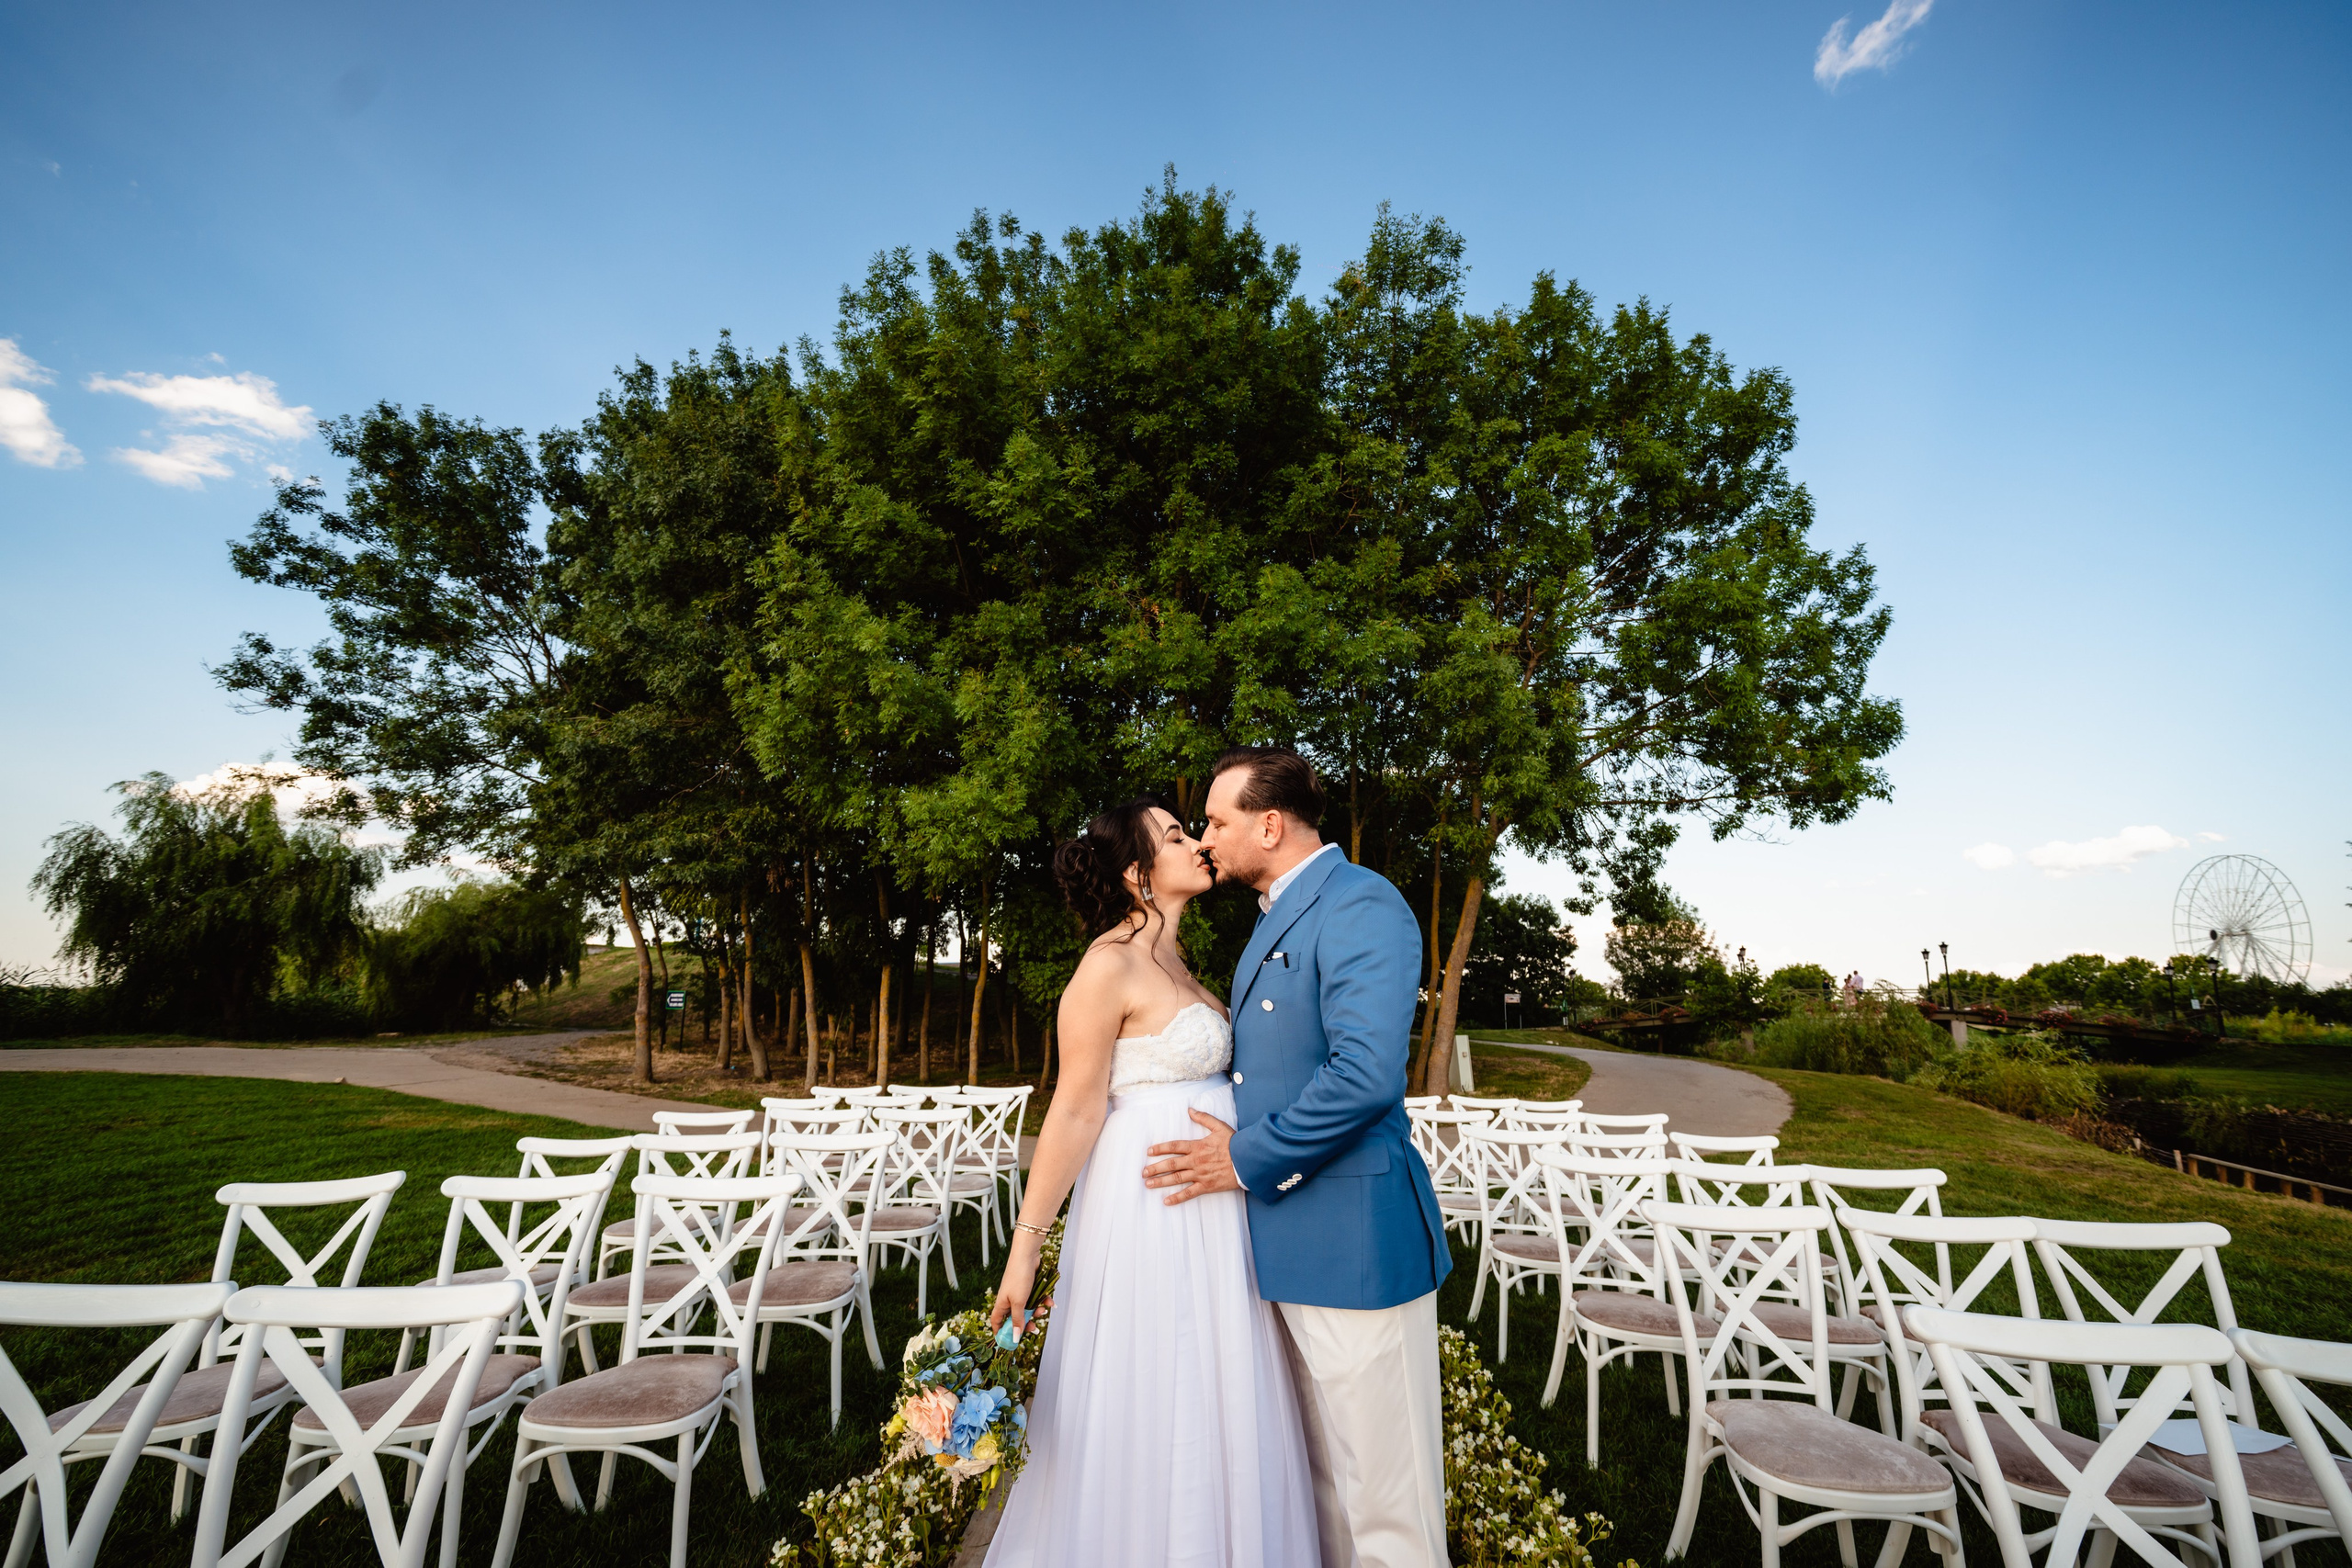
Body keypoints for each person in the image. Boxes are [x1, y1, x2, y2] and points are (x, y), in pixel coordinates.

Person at [983, 797, 1318, 1568]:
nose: (1198, 843)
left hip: (1214, 1207)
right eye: (1176, 836)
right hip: (1149, 1211)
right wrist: (1025, 1248)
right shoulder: (1108, 964)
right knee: (1159, 1377)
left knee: (1218, 1379)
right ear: (1138, 873)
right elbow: (1073, 1108)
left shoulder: (1177, 959)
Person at [1142, 746, 1453, 1568]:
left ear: (1270, 824)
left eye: (1216, 820)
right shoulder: (1280, 912)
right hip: (1288, 1245)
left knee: (1390, 1507)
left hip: (1356, 1243)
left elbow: (1364, 1075)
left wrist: (1245, 1159)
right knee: (1326, 1491)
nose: (1205, 838)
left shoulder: (1360, 903)